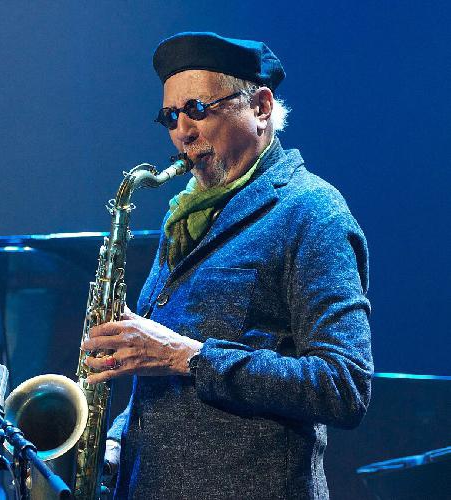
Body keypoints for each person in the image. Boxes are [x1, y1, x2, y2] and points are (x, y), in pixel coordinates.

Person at [82, 32, 373, 499]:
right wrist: (117, 442)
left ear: (260, 107)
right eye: (170, 116)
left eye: (197, 109)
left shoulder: (312, 211)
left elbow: (343, 386)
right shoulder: (186, 216)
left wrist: (188, 356)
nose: (182, 131)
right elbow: (168, 386)